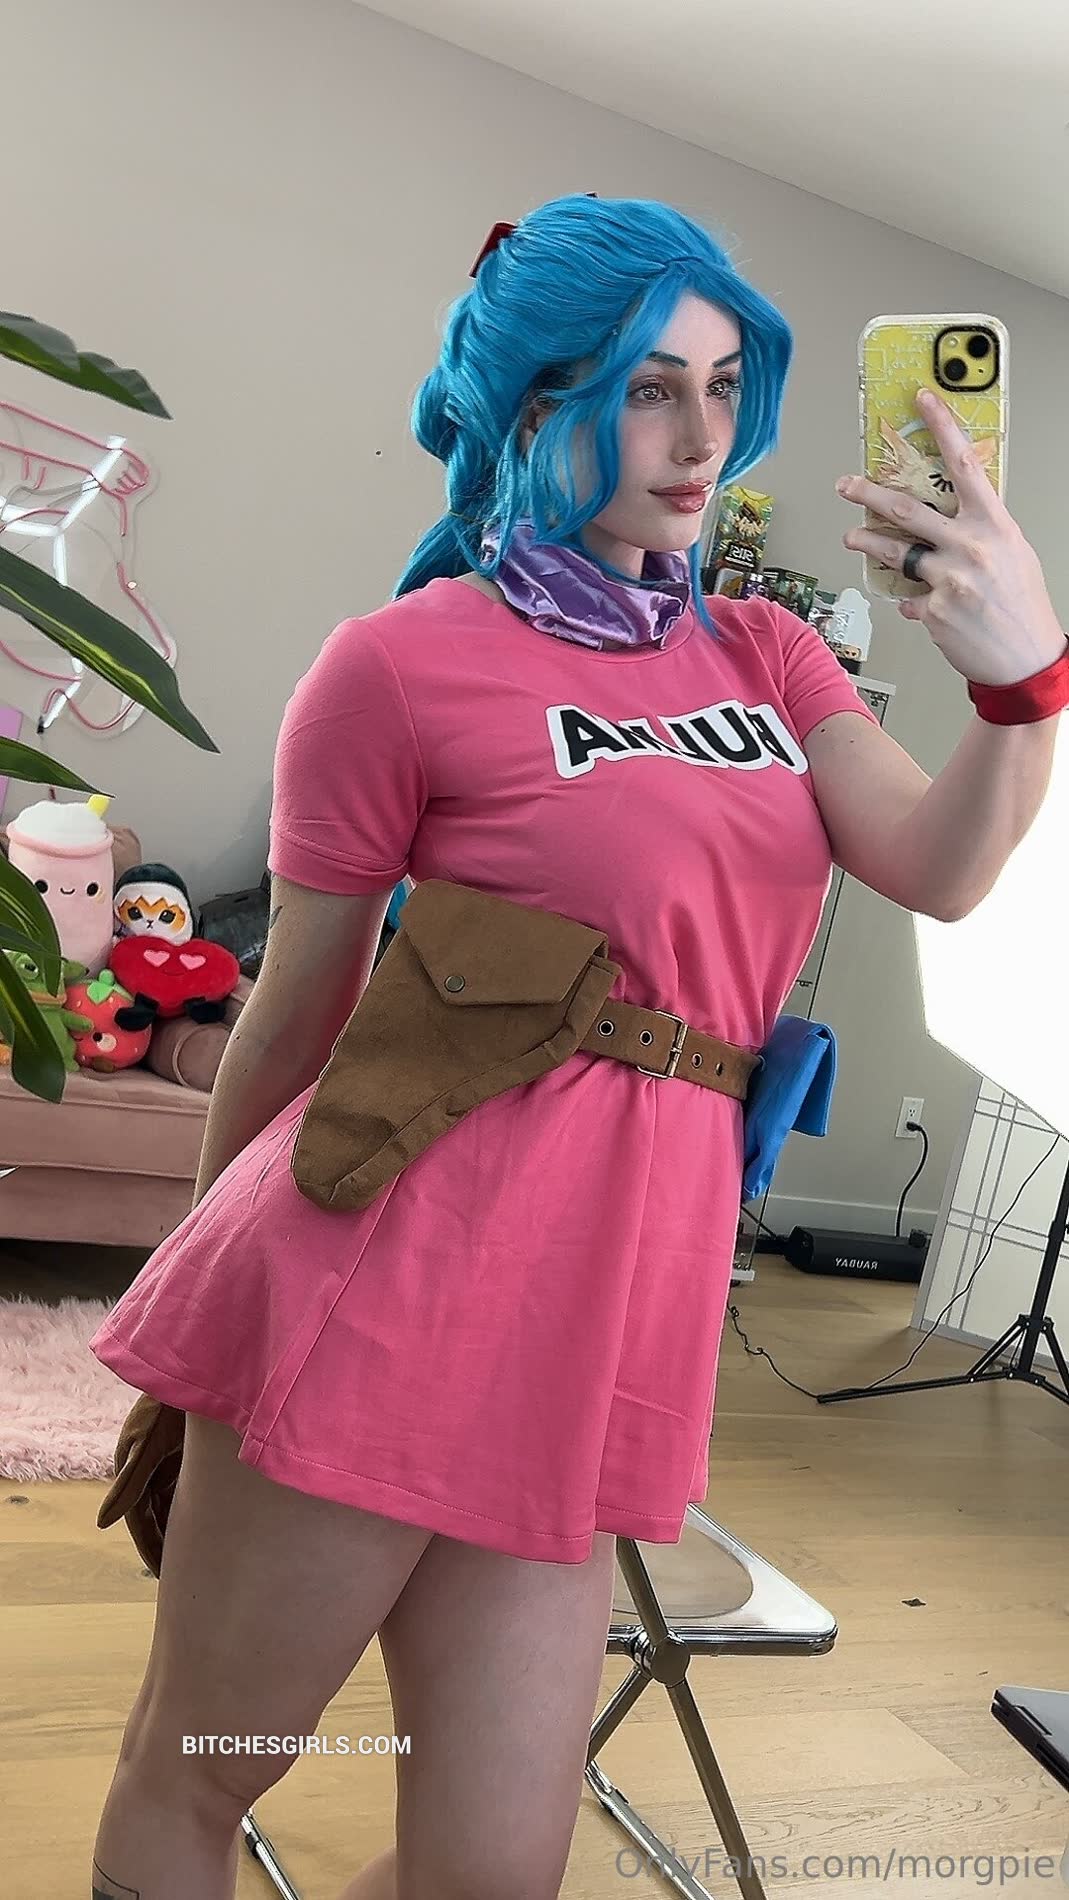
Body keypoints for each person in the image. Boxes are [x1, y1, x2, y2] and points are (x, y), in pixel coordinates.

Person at [85, 192, 880, 1900]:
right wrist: (210, 1313)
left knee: (494, 1868)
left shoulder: (761, 649)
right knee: (205, 1770)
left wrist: (1017, 664)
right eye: (648, 389)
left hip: (594, 1322)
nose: (701, 438)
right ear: (535, 405)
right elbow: (295, 1007)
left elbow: (943, 863)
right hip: (370, 1289)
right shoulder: (398, 661)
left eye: (723, 387)